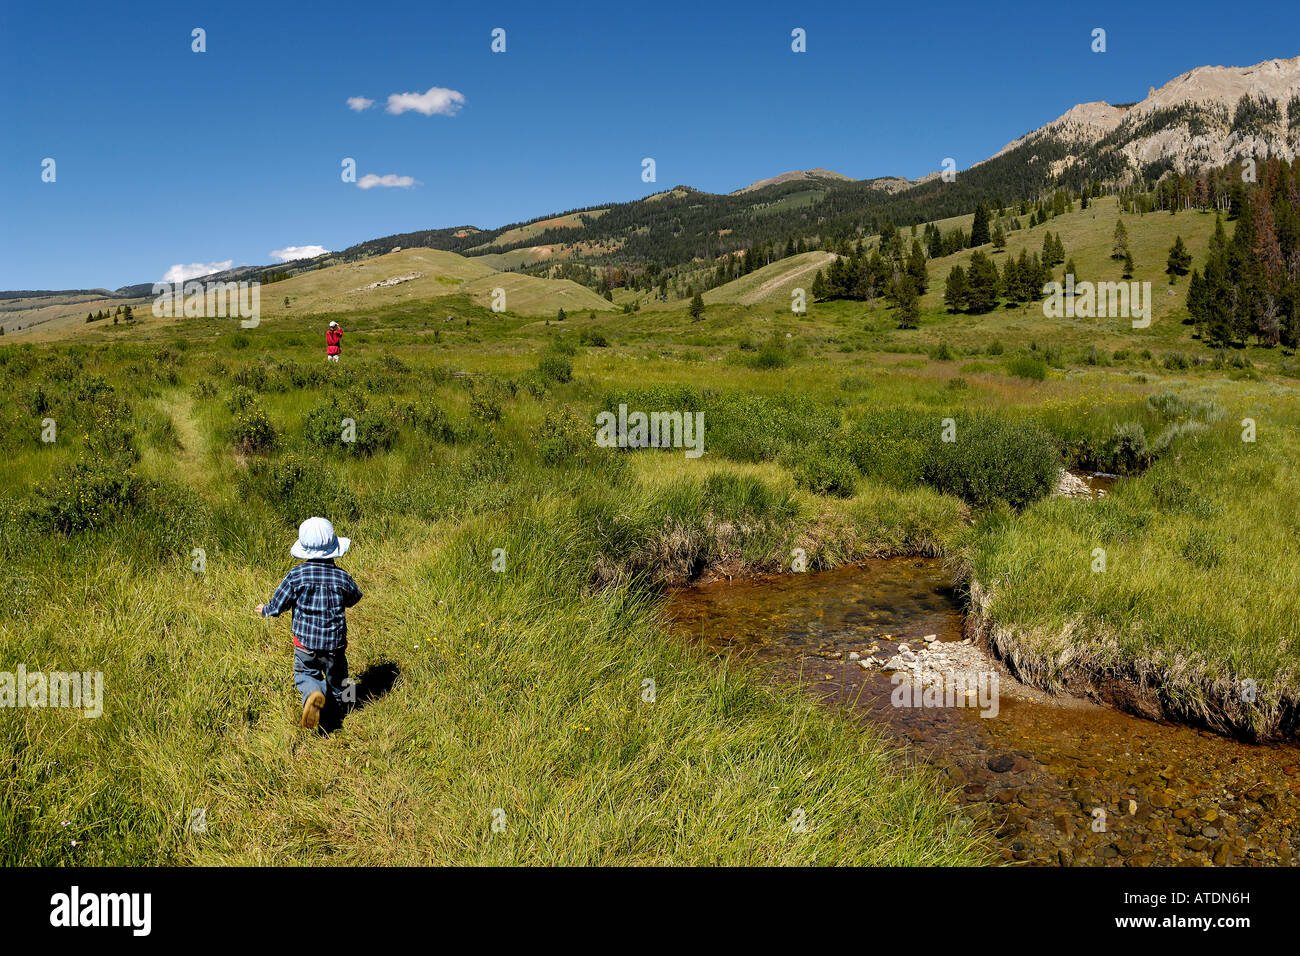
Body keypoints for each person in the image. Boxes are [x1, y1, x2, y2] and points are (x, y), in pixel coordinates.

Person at [255, 517, 363, 730]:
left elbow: (279, 603)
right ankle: (342, 710)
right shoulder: (342, 577)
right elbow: (355, 597)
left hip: (304, 644)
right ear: (334, 547)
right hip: (335, 645)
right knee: (339, 678)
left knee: (306, 674)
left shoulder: (296, 576)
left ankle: (313, 693)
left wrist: (266, 609)